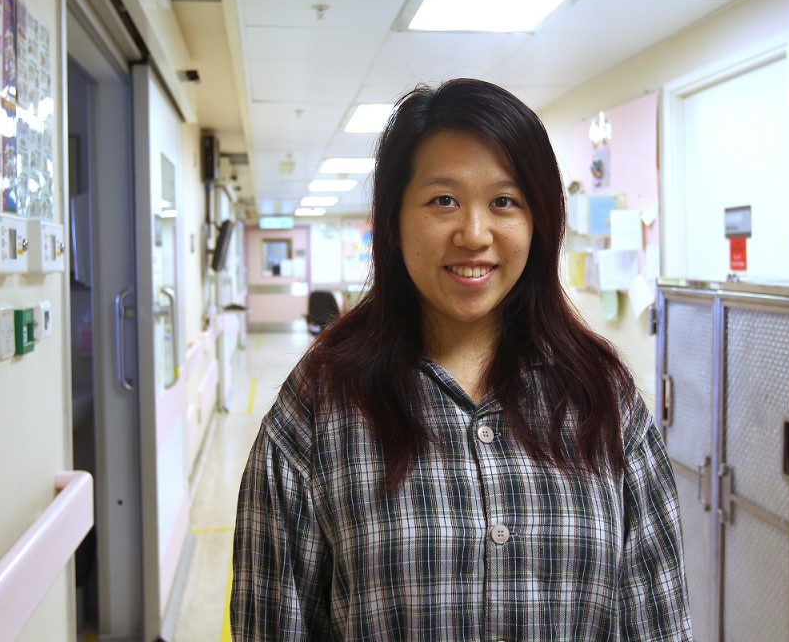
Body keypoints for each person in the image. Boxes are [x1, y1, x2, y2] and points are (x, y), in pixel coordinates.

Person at [232, 78, 692, 641]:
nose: (474, 234)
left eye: (504, 201)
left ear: (539, 224)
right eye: (443, 200)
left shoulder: (601, 398)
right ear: (394, 223)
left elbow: (658, 621)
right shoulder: (319, 404)